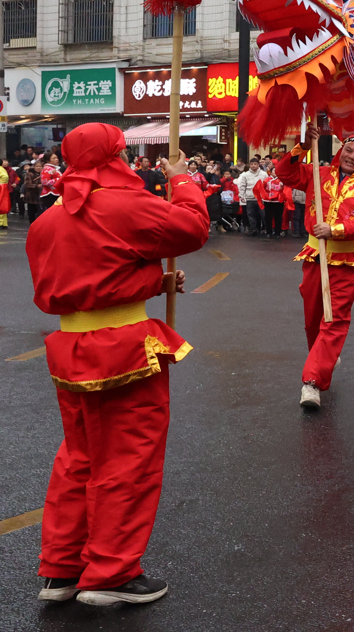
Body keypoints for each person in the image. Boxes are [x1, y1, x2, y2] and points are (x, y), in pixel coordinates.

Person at [27, 123, 208, 606]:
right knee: (128, 458)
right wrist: (182, 181)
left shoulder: (47, 220)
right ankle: (111, 573)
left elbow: (82, 279)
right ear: (113, 155)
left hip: (71, 346)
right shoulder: (124, 204)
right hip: (124, 345)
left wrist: (150, 283)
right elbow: (191, 228)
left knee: (77, 459)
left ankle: (62, 569)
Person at [275, 135, 354, 408]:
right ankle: (325, 355)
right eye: (347, 150)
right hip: (315, 256)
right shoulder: (319, 173)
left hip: (347, 260)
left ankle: (311, 382)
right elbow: (285, 173)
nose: (351, 156)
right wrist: (302, 145)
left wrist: (335, 229)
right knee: (313, 318)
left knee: (334, 319)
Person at [237, 158, 264, 235]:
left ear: (258, 165)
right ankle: (253, 229)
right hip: (249, 197)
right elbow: (242, 186)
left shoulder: (263, 174)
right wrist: (241, 195)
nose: (253, 166)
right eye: (252, 164)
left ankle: (260, 228)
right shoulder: (245, 175)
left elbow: (266, 186)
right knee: (250, 214)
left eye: (255, 164)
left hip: (260, 198)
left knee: (261, 214)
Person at [0, 159, 10, 229]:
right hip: (3, 188)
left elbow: (5, 177)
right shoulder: (2, 169)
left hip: (1, 188)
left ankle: (1, 223)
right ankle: (3, 223)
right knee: (2, 205)